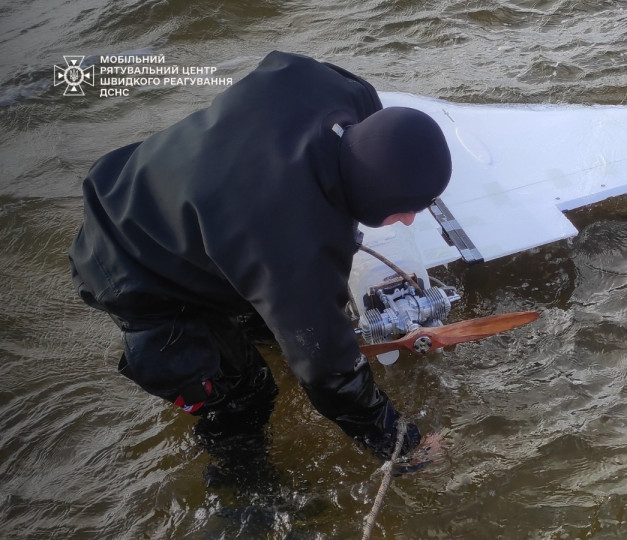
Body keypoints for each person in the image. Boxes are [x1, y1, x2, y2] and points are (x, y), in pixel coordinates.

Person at [67, 51, 452, 480]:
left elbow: (281, 63)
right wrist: (404, 447)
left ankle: (251, 325)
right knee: (249, 394)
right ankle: (246, 499)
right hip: (131, 265)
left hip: (144, 182)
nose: (410, 221)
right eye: (405, 210)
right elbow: (331, 379)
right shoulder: (292, 244)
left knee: (268, 324)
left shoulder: (342, 92)